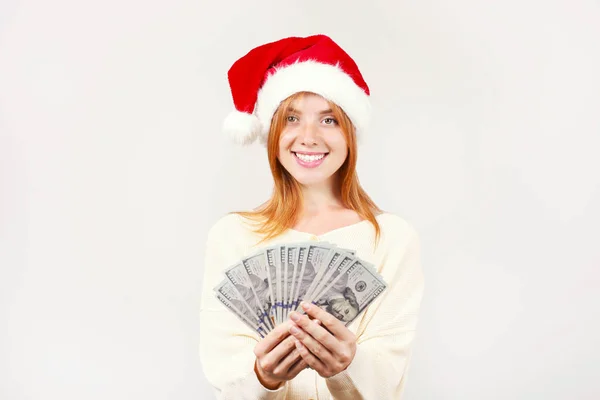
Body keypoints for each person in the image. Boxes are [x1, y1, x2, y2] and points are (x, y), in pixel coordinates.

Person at [199, 34, 425, 399]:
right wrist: (262, 377)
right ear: (272, 131)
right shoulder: (232, 235)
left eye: (329, 120)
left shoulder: (393, 238)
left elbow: (389, 377)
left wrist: (350, 367)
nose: (308, 137)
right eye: (291, 118)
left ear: (350, 134)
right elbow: (225, 373)